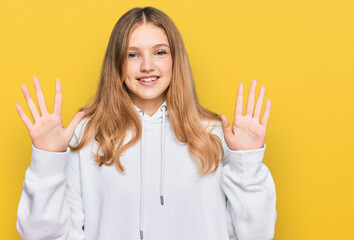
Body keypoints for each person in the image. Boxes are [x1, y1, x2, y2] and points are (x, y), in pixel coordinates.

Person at [15, 6, 277, 240]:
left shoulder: (216, 136)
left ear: (175, 59)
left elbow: (257, 234)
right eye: (132, 55)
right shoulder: (85, 137)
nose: (147, 66)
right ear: (117, 64)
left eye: (160, 52)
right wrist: (47, 160)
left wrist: (247, 162)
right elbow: (40, 236)